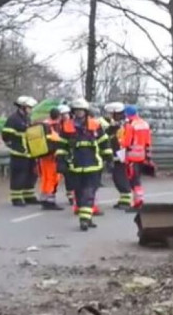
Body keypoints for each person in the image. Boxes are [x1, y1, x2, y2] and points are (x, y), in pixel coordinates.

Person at [56, 99, 112, 231]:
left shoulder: (95, 125)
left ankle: (84, 220)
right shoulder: (67, 126)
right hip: (75, 166)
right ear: (73, 112)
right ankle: (88, 217)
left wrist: (109, 158)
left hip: (93, 165)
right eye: (76, 111)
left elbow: (104, 142)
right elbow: (62, 146)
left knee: (89, 193)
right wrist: (60, 161)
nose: (79, 113)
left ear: (86, 111)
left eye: (81, 110)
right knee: (79, 194)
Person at [1, 96, 39, 206]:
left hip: (29, 152)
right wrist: (13, 146)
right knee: (19, 175)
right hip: (18, 153)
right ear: (23, 107)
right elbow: (6, 135)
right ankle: (16, 198)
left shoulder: (27, 118)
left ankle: (28, 196)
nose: (31, 110)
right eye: (29, 107)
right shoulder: (13, 119)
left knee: (31, 174)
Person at [120, 104, 152, 209]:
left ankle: (138, 202)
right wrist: (148, 157)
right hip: (141, 156)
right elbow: (148, 142)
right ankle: (139, 200)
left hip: (131, 157)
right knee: (137, 179)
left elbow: (126, 142)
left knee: (133, 180)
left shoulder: (130, 125)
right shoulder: (145, 124)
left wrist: (119, 139)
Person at [101, 102, 133, 209]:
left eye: (110, 114)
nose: (109, 116)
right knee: (117, 176)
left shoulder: (120, 125)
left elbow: (118, 140)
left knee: (120, 176)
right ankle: (123, 199)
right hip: (119, 153)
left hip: (120, 154)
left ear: (115, 113)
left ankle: (126, 200)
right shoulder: (120, 124)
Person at [38, 107, 66, 210]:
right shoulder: (54, 126)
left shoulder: (44, 124)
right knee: (52, 178)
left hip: (43, 156)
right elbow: (58, 140)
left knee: (45, 178)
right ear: (58, 116)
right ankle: (50, 201)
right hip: (52, 157)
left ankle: (44, 198)